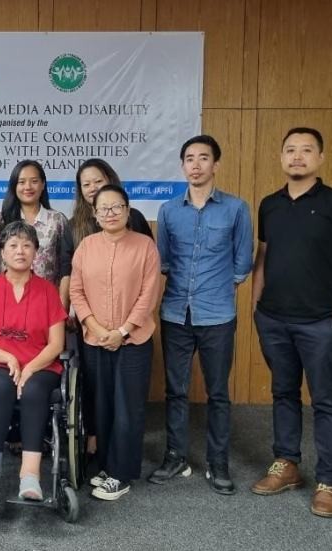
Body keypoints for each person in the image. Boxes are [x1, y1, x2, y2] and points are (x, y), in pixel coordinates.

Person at [250, 127, 332, 518]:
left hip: (320, 323)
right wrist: (257, 308)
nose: (297, 156)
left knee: (325, 402)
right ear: (281, 157)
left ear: (320, 157)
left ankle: (328, 482)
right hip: (274, 319)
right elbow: (263, 258)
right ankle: (287, 464)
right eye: (290, 150)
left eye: (305, 150)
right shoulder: (269, 204)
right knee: (283, 393)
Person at [148, 135, 253, 495]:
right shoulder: (167, 211)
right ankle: (175, 456)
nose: (195, 164)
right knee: (175, 390)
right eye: (189, 158)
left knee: (218, 392)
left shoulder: (236, 209)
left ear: (215, 165)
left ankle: (217, 462)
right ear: (182, 166)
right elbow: (162, 261)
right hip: (176, 312)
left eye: (203, 158)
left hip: (217, 315)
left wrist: (218, 287)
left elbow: (242, 264)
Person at [69, 185, 160, 501]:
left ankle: (122, 474)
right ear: (94, 214)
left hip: (133, 340)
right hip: (94, 339)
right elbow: (76, 292)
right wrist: (94, 326)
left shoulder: (145, 246)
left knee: (127, 407)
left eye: (116, 207)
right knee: (102, 405)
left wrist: (121, 331)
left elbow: (148, 295)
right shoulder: (85, 247)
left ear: (127, 210)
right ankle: (107, 466)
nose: (109, 213)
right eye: (103, 208)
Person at [59, 158, 154, 456]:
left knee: (127, 398)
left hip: (131, 327)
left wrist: (123, 330)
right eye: (85, 184)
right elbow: (71, 280)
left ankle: (121, 459)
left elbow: (148, 283)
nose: (92, 188)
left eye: (97, 181)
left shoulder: (136, 226)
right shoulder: (76, 230)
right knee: (94, 390)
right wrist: (82, 321)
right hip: (91, 326)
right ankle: (97, 442)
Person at [0, 221, 68, 502]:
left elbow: (56, 344)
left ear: (36, 251)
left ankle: (30, 475)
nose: (20, 251)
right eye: (13, 245)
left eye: (27, 245)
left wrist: (30, 368)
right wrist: (8, 357)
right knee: (1, 388)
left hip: (42, 366)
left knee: (35, 390)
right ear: (2, 251)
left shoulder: (48, 290)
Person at [0, 159, 67, 286]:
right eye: (21, 182)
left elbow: (65, 265)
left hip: (44, 298)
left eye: (34, 181)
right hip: (6, 298)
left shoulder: (57, 220)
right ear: (14, 186)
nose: (28, 187)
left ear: (43, 184)